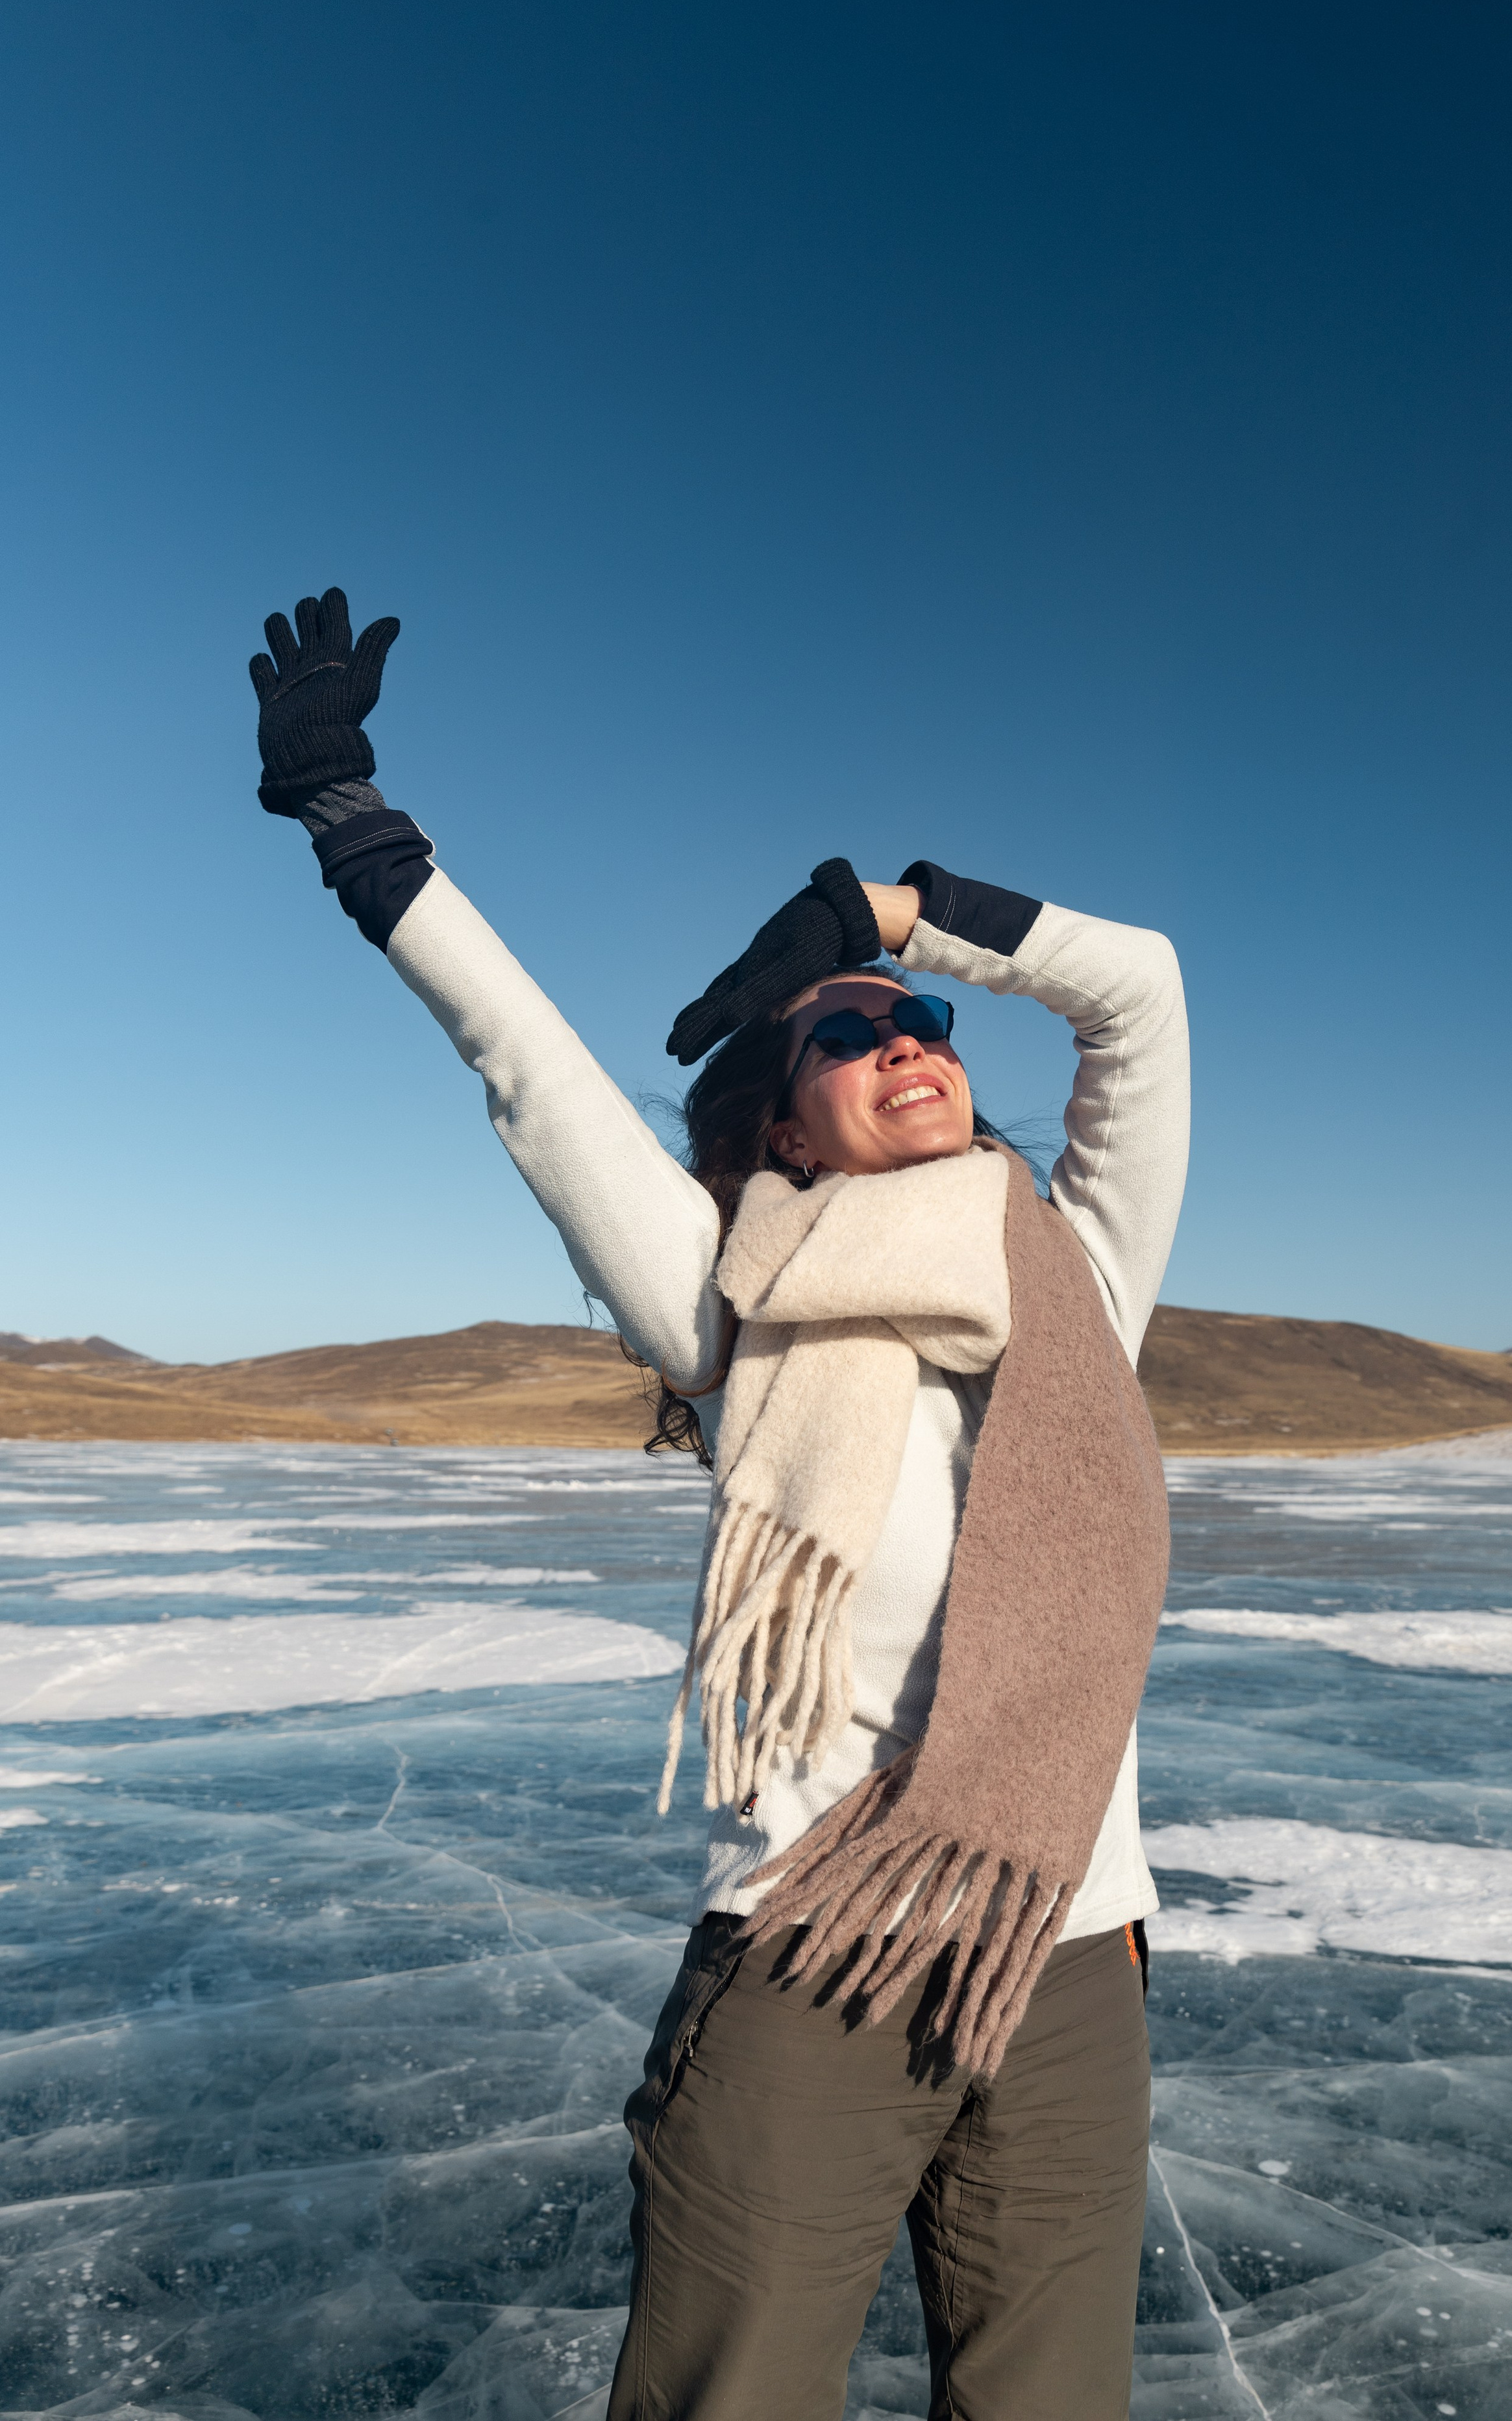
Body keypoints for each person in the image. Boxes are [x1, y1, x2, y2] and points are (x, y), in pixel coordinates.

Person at [249, 588, 1189, 2421]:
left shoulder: (1078, 1274)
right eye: (850, 1034)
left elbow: (1135, 985)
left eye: (922, 1019)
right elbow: (532, 1071)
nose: (908, 1036)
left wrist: (891, 913)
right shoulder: (724, 1299)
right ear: (783, 1121)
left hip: (1066, 1954)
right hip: (808, 1948)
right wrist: (356, 824)